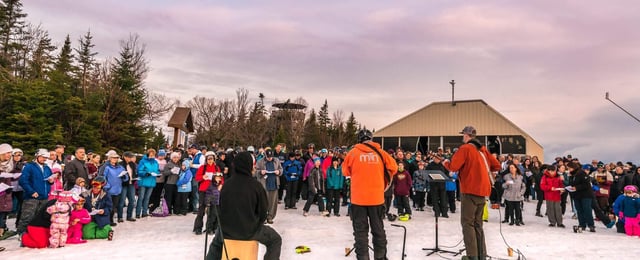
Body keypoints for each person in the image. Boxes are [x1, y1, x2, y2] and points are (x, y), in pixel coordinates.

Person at [207, 151, 282, 260]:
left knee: (216, 245)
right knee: (275, 240)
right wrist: (256, 224)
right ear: (249, 165)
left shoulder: (226, 184)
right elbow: (263, 211)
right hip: (250, 230)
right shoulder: (256, 186)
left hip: (227, 230)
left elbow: (219, 208)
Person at [445, 126, 500, 260]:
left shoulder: (465, 148)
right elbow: (496, 165)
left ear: (467, 135)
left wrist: (445, 162)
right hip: (483, 191)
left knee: (467, 224)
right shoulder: (482, 150)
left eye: (463, 134)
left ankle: (472, 256)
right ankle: (481, 255)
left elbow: (453, 167)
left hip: (470, 190)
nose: (462, 137)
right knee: (478, 224)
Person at [342, 129, 398, 260]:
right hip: (376, 199)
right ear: (371, 139)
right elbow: (394, 168)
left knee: (360, 233)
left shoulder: (353, 153)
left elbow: (345, 171)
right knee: (378, 230)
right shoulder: (381, 153)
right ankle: (380, 257)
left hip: (358, 199)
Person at [18, 149, 55, 236]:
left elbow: (50, 180)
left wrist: (51, 181)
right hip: (32, 197)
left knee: (40, 217)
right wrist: (31, 191)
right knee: (27, 216)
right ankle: (22, 234)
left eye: (45, 157)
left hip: (44, 197)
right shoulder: (29, 166)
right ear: (37, 156)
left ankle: (36, 234)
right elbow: (23, 181)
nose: (44, 159)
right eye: (42, 157)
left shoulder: (47, 168)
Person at [194, 151, 221, 235]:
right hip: (204, 190)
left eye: (211, 159)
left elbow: (221, 178)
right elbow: (197, 178)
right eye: (208, 159)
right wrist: (203, 177)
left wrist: (220, 184)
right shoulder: (203, 167)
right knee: (201, 209)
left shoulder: (217, 168)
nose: (210, 160)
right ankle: (198, 228)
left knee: (213, 211)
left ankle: (210, 228)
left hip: (213, 190)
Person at [566, 161, 595, 233]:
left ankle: (591, 225)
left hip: (585, 195)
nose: (569, 170)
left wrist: (576, 187)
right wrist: (567, 188)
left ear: (573, 167)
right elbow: (571, 184)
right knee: (579, 210)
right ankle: (582, 224)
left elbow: (586, 185)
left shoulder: (581, 173)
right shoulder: (572, 175)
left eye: (569, 168)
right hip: (576, 195)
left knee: (587, 210)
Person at [255, 149, 283, 223]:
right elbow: (255, 171)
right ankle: (263, 217)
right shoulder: (260, 161)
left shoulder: (277, 160)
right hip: (264, 184)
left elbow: (281, 169)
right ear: (265, 155)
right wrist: (260, 172)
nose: (269, 158)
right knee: (263, 202)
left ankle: (270, 216)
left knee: (272, 202)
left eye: (271, 157)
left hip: (274, 183)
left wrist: (279, 172)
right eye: (268, 157)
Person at [103, 151, 128, 225]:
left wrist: (124, 177)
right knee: (108, 205)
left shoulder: (120, 167)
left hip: (117, 190)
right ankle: (107, 220)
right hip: (109, 190)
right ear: (110, 158)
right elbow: (103, 178)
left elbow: (126, 178)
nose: (115, 159)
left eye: (116, 158)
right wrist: (107, 186)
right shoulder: (107, 167)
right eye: (113, 158)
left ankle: (111, 219)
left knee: (114, 206)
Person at [136, 149, 159, 218]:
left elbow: (157, 170)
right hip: (143, 181)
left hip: (151, 182)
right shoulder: (143, 161)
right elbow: (139, 171)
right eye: (151, 154)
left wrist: (157, 174)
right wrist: (146, 173)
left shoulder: (155, 162)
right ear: (148, 154)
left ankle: (144, 212)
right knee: (141, 198)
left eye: (153, 155)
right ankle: (138, 213)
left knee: (147, 198)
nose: (152, 156)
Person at [119, 152, 138, 222]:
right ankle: (120, 217)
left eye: (131, 157)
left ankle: (129, 216)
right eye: (129, 157)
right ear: (125, 157)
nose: (130, 158)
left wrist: (135, 177)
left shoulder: (132, 164)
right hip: (124, 184)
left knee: (132, 200)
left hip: (131, 184)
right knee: (122, 200)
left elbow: (134, 173)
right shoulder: (120, 164)